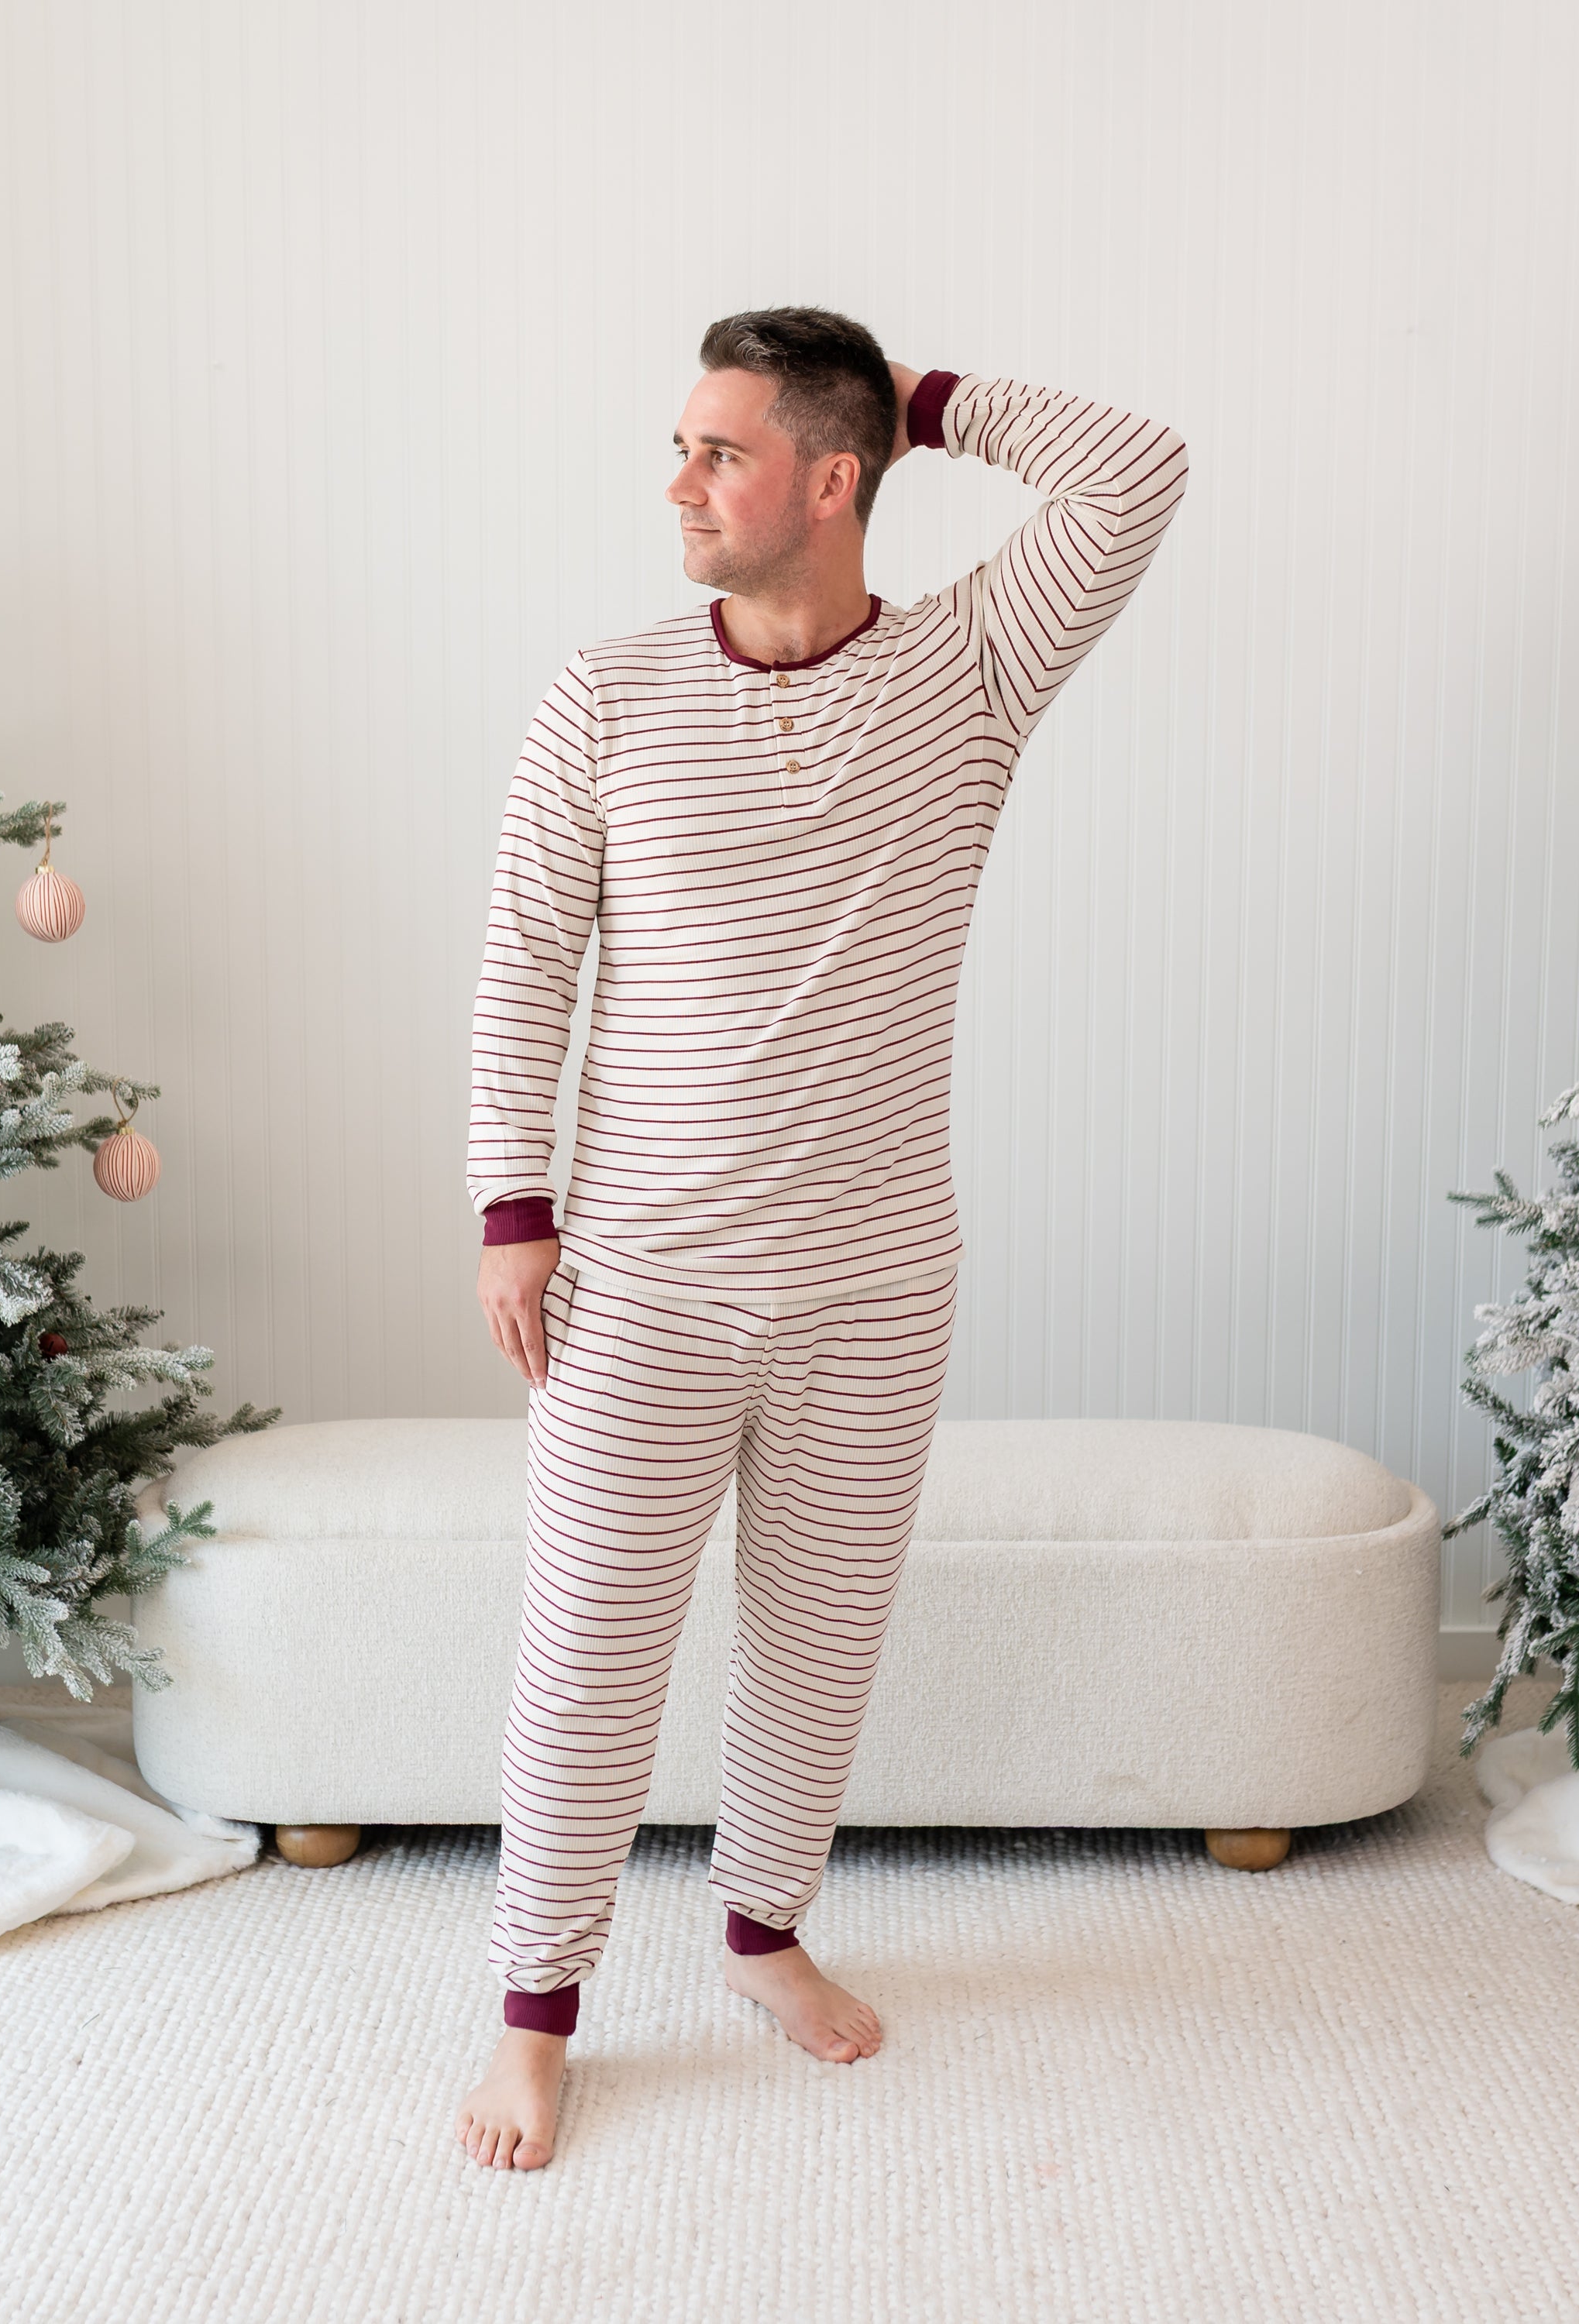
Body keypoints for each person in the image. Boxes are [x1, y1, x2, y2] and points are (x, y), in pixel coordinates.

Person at [454, 309, 1187, 2169]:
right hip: (640, 1281)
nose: (681, 481)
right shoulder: (605, 696)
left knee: (821, 1641)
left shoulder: (972, 671)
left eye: (723, 450)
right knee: (589, 1657)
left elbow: (1140, 469)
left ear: (834, 479)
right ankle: (538, 2014)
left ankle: (765, 1935)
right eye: (683, 447)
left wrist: (925, 399)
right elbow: (526, 961)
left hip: (877, 1279)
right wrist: (510, 1211)